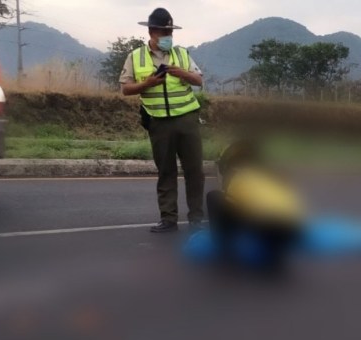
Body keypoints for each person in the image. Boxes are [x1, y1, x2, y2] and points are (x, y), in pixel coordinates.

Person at [120, 8, 205, 233]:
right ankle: (168, 219)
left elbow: (199, 80)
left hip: (187, 119)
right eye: (163, 31)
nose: (168, 35)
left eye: (170, 31)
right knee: (166, 172)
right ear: (151, 31)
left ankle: (197, 217)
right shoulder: (135, 57)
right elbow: (125, 89)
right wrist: (146, 84)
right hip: (158, 122)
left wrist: (182, 73)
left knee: (194, 170)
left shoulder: (182, 54)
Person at [207, 140, 305, 273]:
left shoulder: (239, 178)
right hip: (294, 229)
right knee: (264, 211)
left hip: (267, 225)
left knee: (215, 197)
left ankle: (226, 251)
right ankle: (276, 255)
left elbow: (231, 209)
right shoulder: (274, 176)